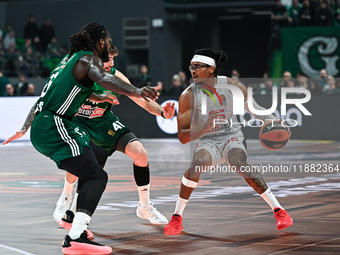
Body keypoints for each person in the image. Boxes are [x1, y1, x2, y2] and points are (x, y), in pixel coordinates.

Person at [3, 22, 159, 254]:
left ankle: (73, 224)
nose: (108, 44)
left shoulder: (69, 61)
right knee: (97, 176)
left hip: (46, 124)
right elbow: (101, 76)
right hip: (55, 124)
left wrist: (25, 127)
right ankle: (75, 232)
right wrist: (134, 90)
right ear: (99, 42)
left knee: (92, 169)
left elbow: (49, 97)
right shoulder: (89, 59)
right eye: (106, 40)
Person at [163, 48, 293, 235]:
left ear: (211, 68)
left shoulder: (233, 86)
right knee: (197, 164)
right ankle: (176, 218)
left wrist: (273, 121)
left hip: (231, 135)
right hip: (207, 139)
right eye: (191, 67)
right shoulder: (188, 95)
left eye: (197, 67)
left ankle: (279, 211)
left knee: (239, 162)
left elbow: (254, 108)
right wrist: (205, 127)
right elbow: (183, 137)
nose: (192, 70)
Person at [53, 43, 174, 230]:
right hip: (78, 123)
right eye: (107, 60)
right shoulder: (79, 74)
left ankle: (144, 207)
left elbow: (140, 99)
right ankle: (66, 198)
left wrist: (162, 113)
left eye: (113, 59)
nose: (111, 64)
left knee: (140, 153)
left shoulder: (115, 76)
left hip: (103, 121)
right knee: (80, 159)